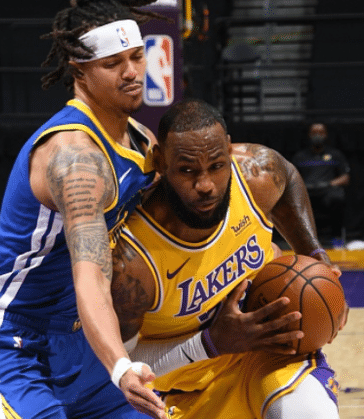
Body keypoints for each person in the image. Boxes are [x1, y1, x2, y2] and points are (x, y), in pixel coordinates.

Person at [0, 1, 169, 418]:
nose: (131, 72)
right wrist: (120, 366)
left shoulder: (142, 142)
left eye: (136, 56)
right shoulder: (74, 158)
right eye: (113, 63)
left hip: (80, 343)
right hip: (15, 341)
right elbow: (90, 275)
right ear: (79, 71)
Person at [110, 98, 349, 419]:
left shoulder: (254, 173)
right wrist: (210, 342)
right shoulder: (132, 263)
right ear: (160, 161)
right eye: (187, 170)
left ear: (229, 149)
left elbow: (288, 177)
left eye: (216, 166)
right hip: (186, 392)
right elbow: (125, 368)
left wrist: (315, 256)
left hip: (270, 356)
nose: (205, 185)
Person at [291, 122, 350, 244]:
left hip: (327, 190)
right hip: (307, 192)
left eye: (320, 132)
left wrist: (329, 184)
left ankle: (337, 237)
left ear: (326, 134)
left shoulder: (335, 155)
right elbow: (291, 177)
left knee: (337, 198)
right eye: (314, 133)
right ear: (309, 135)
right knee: (291, 200)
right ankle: (299, 240)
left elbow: (345, 177)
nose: (317, 135)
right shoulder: (300, 157)